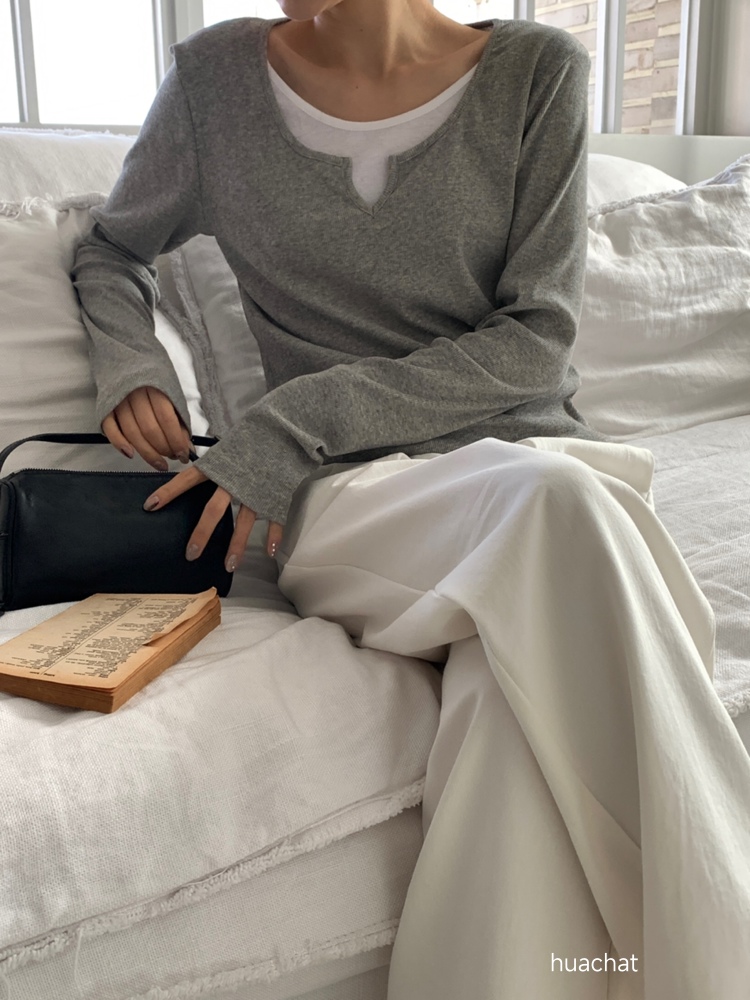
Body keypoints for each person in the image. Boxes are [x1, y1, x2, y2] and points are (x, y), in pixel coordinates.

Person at [72, 2, 750, 997]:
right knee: (562, 509)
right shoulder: (214, 88)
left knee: (509, 728)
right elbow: (110, 248)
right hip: (348, 493)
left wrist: (295, 417)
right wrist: (134, 366)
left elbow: (536, 339)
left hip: (522, 460)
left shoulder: (537, 74)